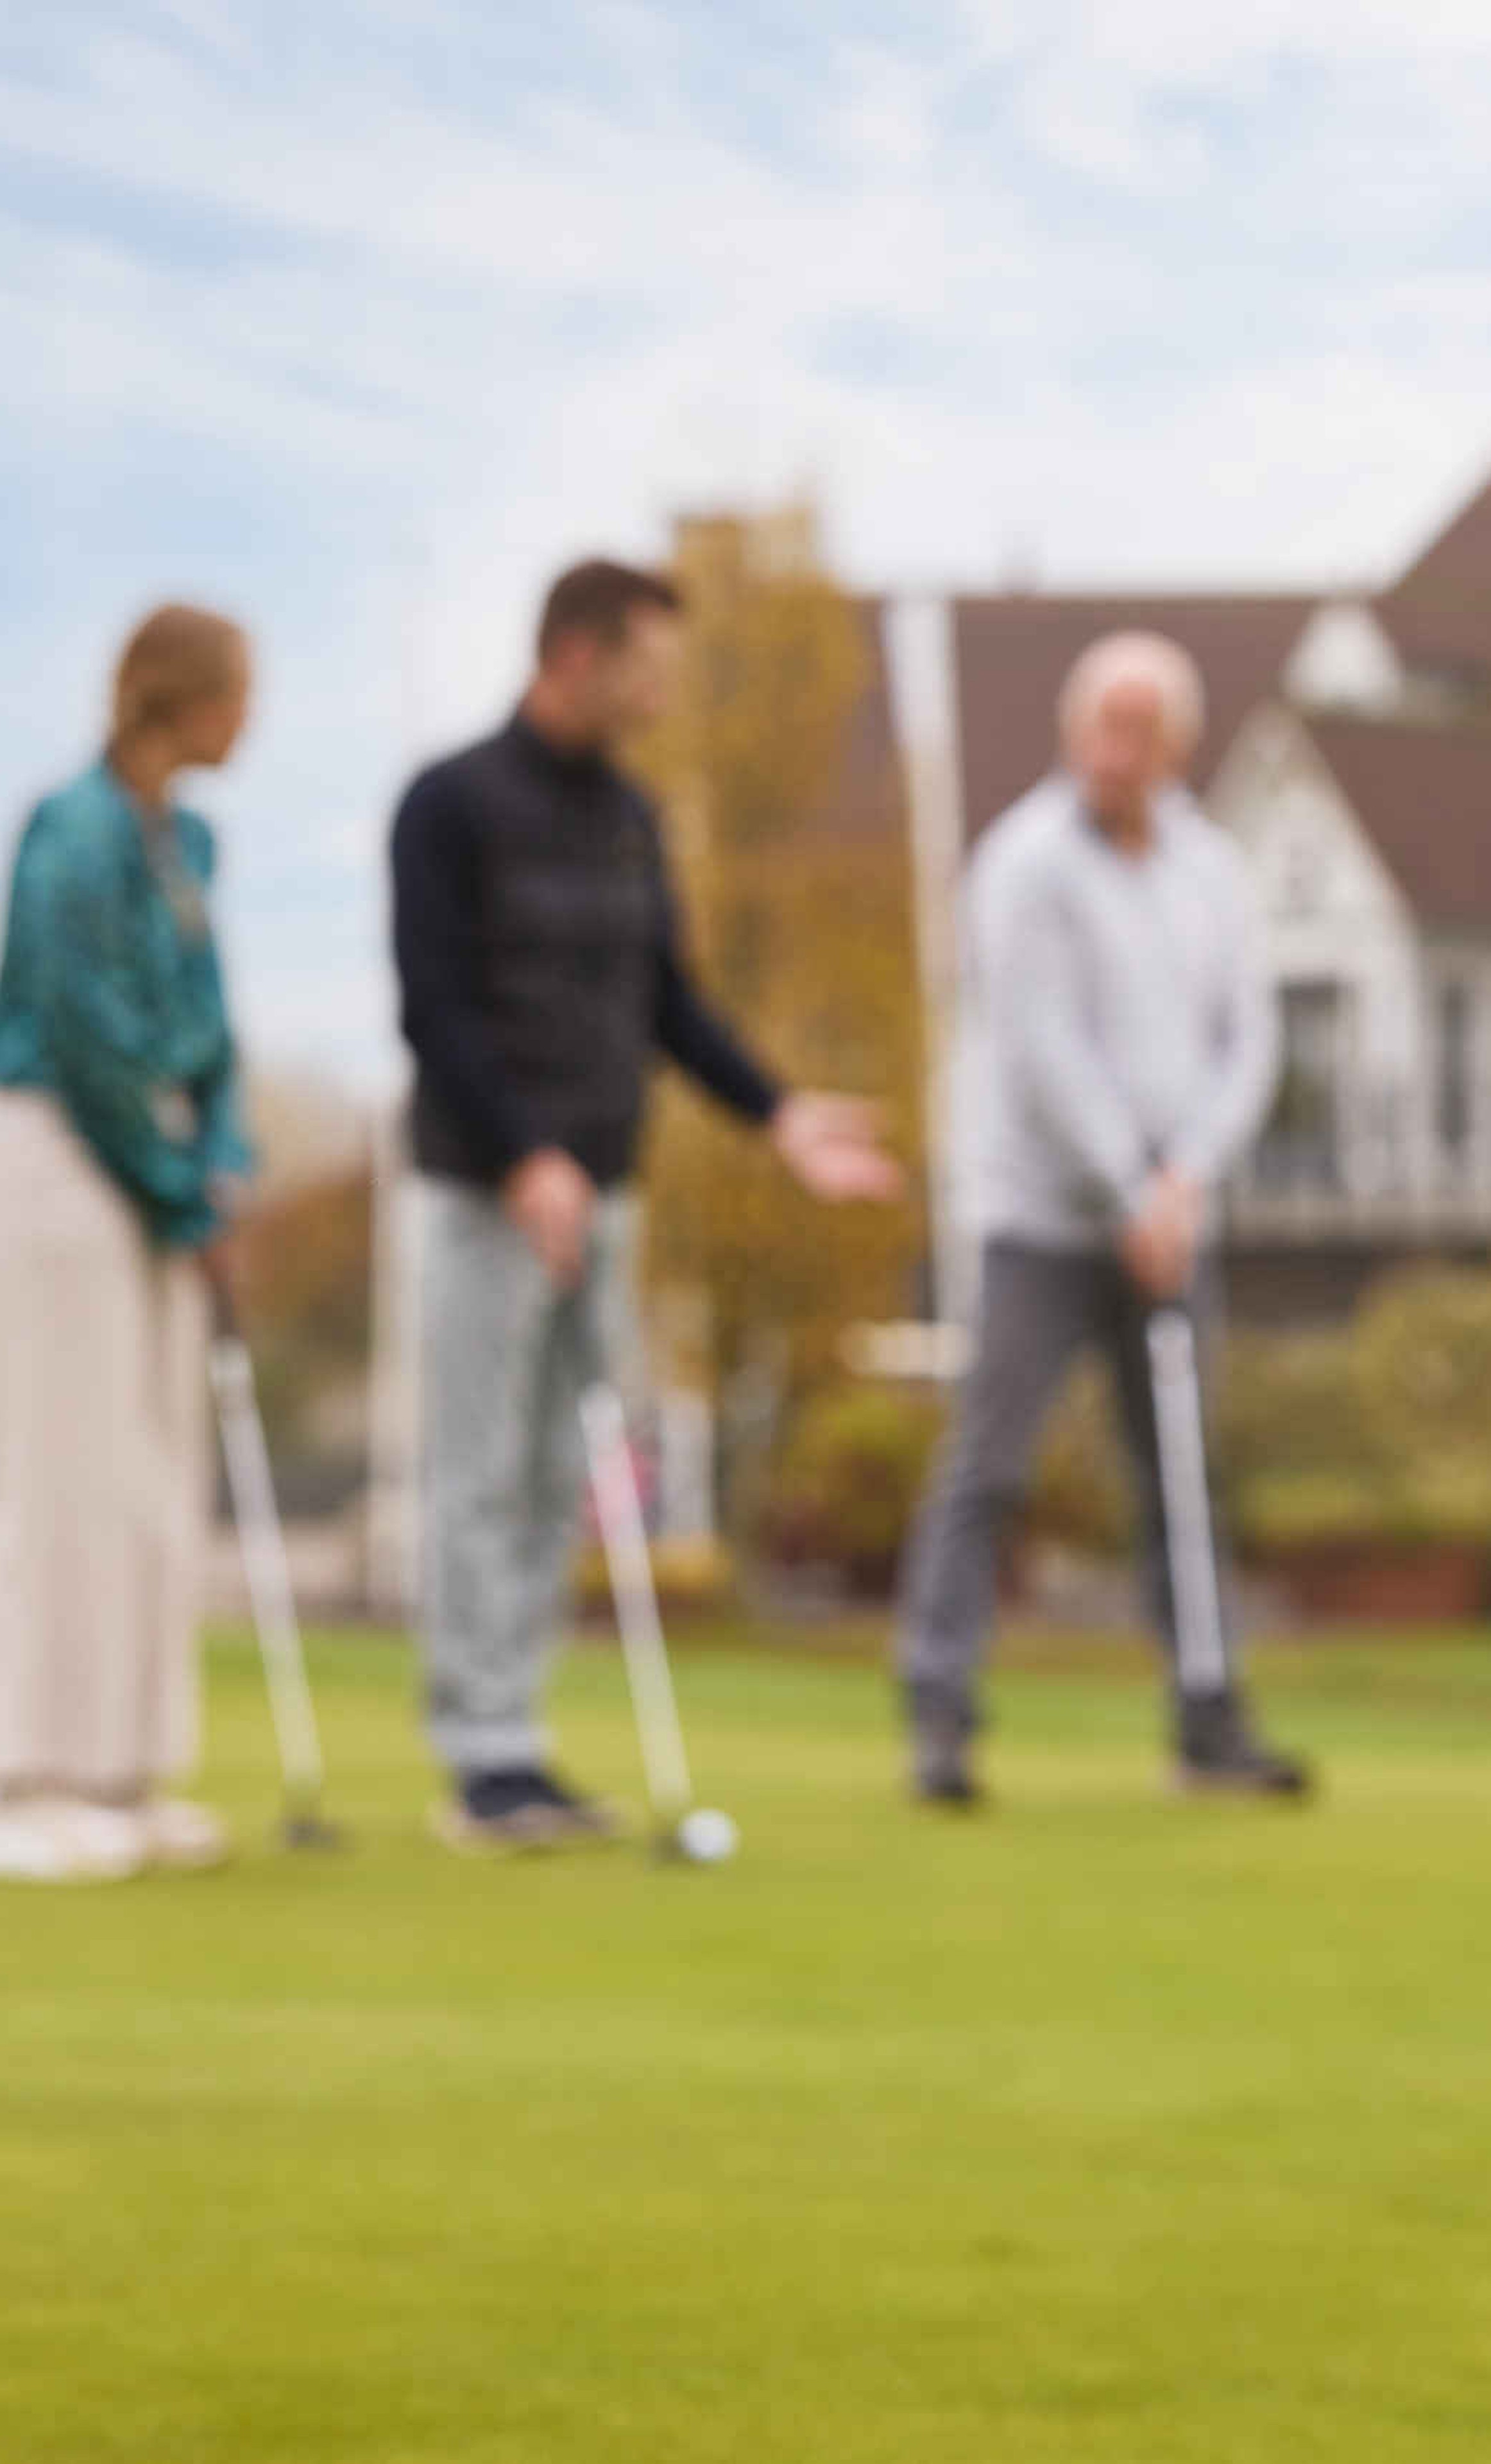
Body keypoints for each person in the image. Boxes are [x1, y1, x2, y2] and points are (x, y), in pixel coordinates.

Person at [391, 558, 899, 1853]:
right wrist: (522, 1157)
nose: (668, 688)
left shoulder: (626, 813)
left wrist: (779, 1115)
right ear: (579, 652)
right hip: (478, 1193)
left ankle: (517, 1738)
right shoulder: (450, 805)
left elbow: (667, 1001)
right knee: (479, 1468)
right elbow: (434, 1006)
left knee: (563, 1470)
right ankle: (477, 1756)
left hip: (603, 1193)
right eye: (652, 662)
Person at [896, 631, 1307, 1807]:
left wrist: (1184, 1181)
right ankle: (940, 1709)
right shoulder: (1021, 866)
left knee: (1183, 1472)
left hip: (1174, 1223)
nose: (1119, 752)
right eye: (1102, 726)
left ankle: (1210, 1713)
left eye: (1144, 730)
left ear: (1180, 745)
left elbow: (1249, 1043)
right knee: (991, 1461)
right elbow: (1042, 1049)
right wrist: (1133, 1186)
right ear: (1074, 734)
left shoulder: (1213, 872)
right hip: (1042, 1219)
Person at [0, 606, 257, 1884]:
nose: (252, 712)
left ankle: (121, 1768)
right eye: (239, 688)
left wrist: (223, 1162)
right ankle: (28, 1775)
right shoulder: (71, 826)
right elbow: (78, 1023)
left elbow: (211, 1028)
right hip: (59, 1159)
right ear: (184, 694)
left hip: (158, 1178)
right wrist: (173, 1187)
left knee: (152, 1478)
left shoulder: (189, 839)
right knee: (60, 1473)